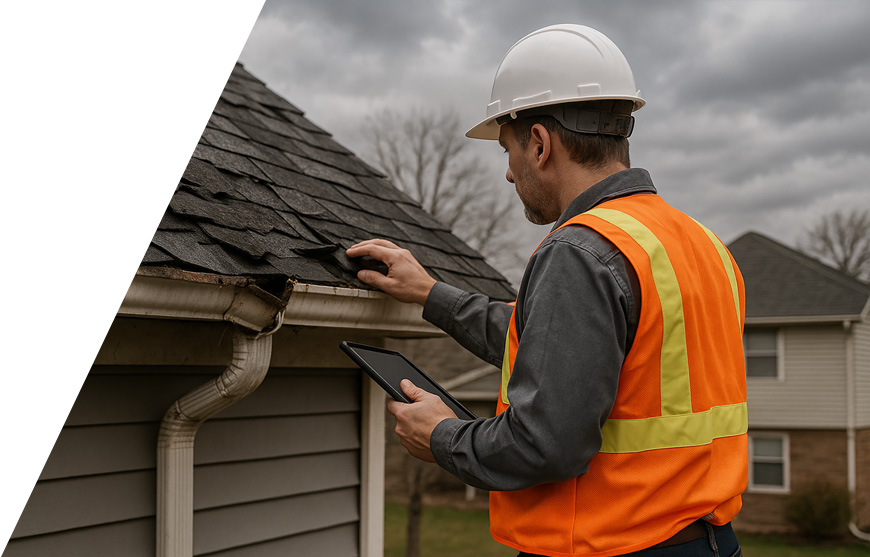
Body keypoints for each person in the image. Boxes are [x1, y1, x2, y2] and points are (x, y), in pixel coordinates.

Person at [347, 24, 747, 557]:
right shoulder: (700, 244)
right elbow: (560, 348)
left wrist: (442, 437)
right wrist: (429, 293)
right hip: (709, 540)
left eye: (507, 150)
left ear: (539, 144)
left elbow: (545, 443)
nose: (509, 175)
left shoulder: (580, 250)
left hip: (615, 544)